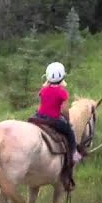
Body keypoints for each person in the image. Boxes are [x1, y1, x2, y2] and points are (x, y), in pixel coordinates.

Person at [34, 61, 81, 190]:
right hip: (53, 120)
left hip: (39, 117)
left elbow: (42, 104)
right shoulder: (62, 92)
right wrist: (67, 121)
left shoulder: (43, 90)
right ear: (62, 77)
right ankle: (74, 153)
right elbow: (65, 111)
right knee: (69, 132)